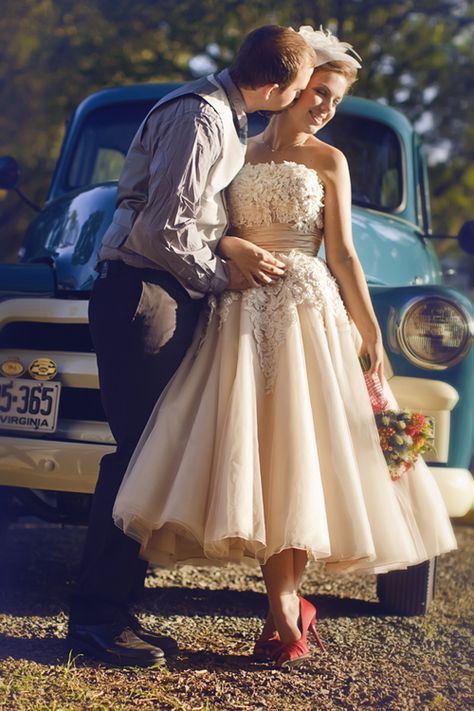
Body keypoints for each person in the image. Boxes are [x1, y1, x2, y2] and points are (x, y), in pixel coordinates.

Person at [112, 27, 457, 669]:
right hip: (236, 311)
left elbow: (344, 253)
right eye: (319, 92)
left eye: (335, 101)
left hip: (305, 310)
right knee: (258, 457)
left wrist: (371, 333)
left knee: (297, 457)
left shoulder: (330, 161)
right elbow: (200, 223)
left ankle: (283, 606)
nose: (325, 107)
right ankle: (280, 607)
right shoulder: (234, 148)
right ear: (292, 87)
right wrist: (228, 249)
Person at [67, 25, 316, 667]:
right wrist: (221, 275)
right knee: (135, 457)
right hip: (144, 293)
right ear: (274, 86)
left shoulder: (213, 112)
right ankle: (96, 620)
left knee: (150, 453)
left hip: (160, 292)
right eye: (296, 90)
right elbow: (163, 230)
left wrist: (222, 254)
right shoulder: (203, 119)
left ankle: (118, 611)